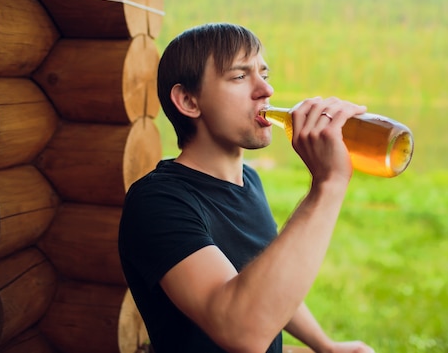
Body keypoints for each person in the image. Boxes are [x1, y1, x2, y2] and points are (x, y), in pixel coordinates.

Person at [118, 22, 375, 353]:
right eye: (240, 76)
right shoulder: (157, 201)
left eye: (264, 75)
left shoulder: (248, 180)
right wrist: (327, 185)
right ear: (188, 100)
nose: (265, 91)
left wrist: (325, 346)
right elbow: (241, 331)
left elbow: (265, 282)